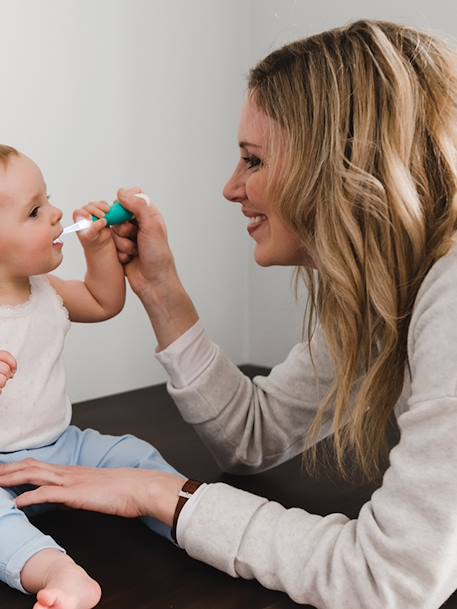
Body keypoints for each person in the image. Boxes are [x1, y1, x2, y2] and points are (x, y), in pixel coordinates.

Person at [1, 18, 457, 609]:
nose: (230, 187)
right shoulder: (385, 296)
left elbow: (392, 579)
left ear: (339, 163)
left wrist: (162, 494)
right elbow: (252, 437)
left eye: (253, 161)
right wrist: (160, 286)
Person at [0, 146, 183, 609]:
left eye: (50, 201)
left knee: (135, 456)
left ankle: (189, 524)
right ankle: (58, 573)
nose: (57, 213)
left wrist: (99, 249)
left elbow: (103, 302)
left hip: (64, 448)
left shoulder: (46, 289)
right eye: (36, 210)